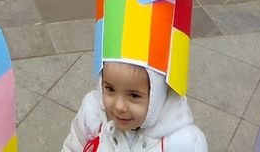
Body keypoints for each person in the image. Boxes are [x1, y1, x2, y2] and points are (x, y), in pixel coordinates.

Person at [63, 58, 206, 152]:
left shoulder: (185, 143)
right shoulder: (92, 114)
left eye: (134, 95)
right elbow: (72, 146)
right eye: (110, 89)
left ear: (159, 95)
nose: (119, 106)